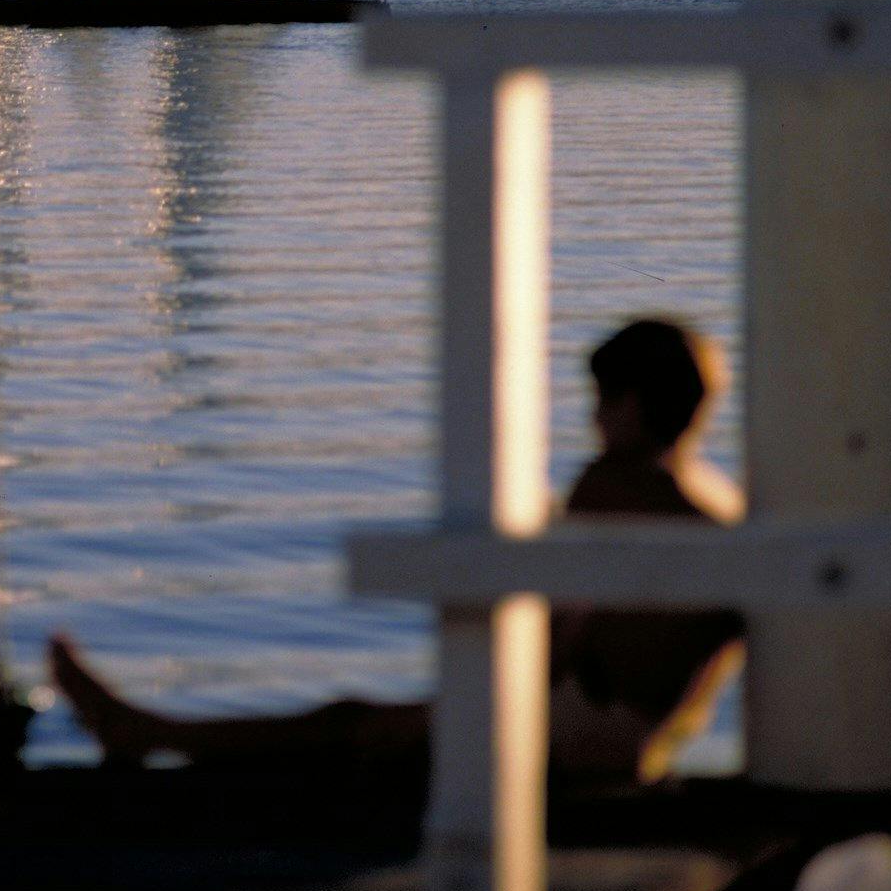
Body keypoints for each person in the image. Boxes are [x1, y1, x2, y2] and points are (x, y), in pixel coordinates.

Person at [48, 317, 743, 790]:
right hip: (639, 742)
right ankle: (149, 731)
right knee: (356, 727)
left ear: (634, 404)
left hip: (578, 741)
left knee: (352, 732)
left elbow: (561, 633)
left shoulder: (613, 487)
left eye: (604, 399)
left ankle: (146, 732)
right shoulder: (716, 501)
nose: (593, 417)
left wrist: (457, 711)